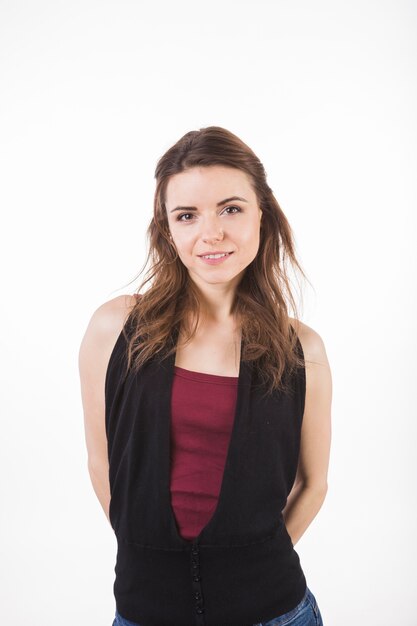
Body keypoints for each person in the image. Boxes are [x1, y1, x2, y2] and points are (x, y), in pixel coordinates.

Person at [78, 126, 332, 626]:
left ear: (264, 215)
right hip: (144, 609)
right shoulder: (114, 329)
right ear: (167, 230)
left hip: (275, 612)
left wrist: (238, 566)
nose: (210, 233)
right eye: (187, 215)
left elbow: (313, 484)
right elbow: (103, 466)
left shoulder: (301, 349)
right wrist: (161, 564)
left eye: (231, 208)